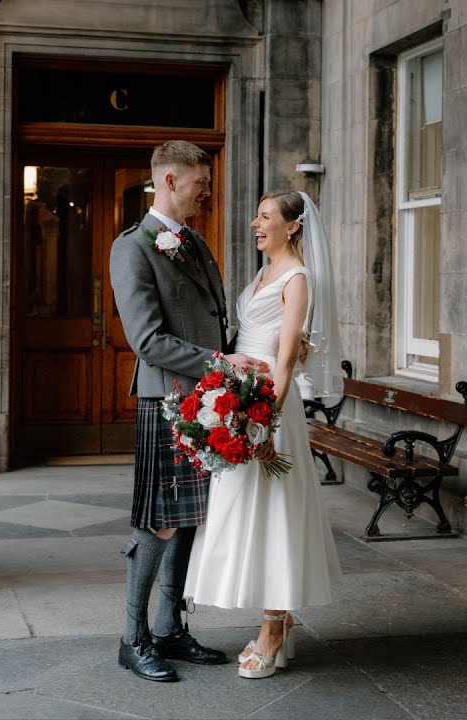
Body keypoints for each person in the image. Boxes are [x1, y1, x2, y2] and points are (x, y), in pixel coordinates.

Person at [109, 140, 267, 682]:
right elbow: (147, 340)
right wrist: (220, 363)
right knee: (157, 521)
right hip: (167, 399)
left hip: (206, 400)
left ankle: (169, 629)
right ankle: (133, 638)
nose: (208, 192)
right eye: (201, 182)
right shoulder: (133, 247)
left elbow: (215, 322)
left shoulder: (195, 242)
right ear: (170, 181)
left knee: (187, 520)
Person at [183, 189, 344, 679]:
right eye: (256, 215)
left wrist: (265, 423)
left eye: (265, 216)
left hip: (271, 404)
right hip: (240, 399)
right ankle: (279, 617)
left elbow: (287, 358)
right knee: (242, 510)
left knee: (275, 513)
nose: (255, 223)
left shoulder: (297, 279)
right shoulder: (262, 274)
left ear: (292, 226)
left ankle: (274, 627)